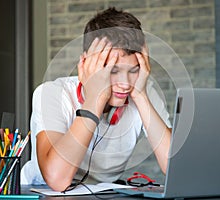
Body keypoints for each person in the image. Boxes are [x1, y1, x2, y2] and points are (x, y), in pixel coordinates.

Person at [21, 7, 172, 192]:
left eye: (133, 70)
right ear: (86, 64)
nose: (125, 84)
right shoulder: (51, 93)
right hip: (41, 192)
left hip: (104, 193)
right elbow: (57, 179)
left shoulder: (140, 90)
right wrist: (94, 99)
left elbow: (175, 167)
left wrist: (140, 96)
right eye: (113, 71)